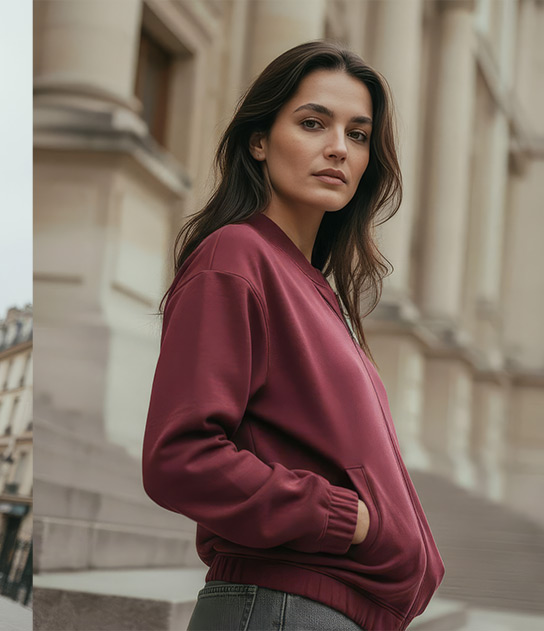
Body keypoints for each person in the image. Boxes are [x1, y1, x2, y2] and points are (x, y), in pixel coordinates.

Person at [140, 41, 445, 631]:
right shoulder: (235, 256)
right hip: (282, 607)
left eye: (358, 135)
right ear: (259, 140)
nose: (338, 148)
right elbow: (179, 457)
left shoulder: (310, 286)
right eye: (313, 123)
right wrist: (341, 517)